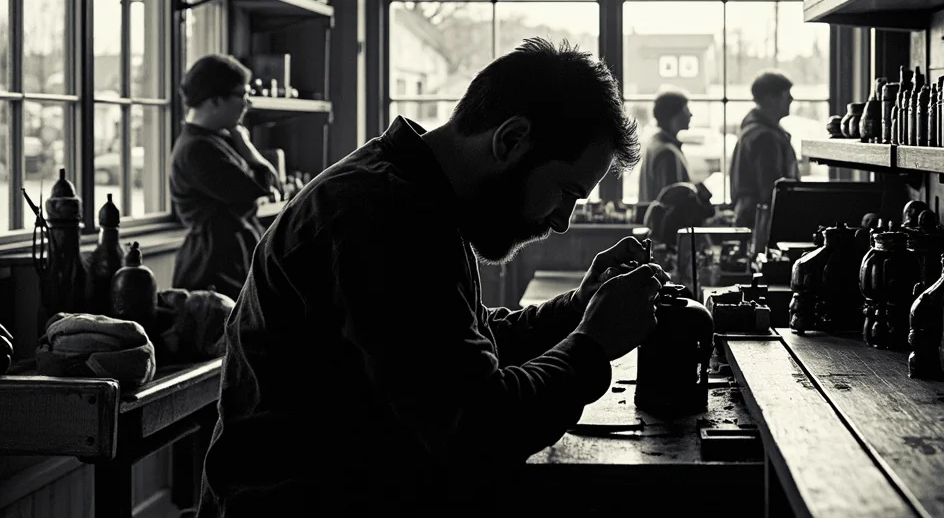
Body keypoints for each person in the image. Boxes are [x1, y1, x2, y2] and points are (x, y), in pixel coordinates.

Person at [197, 38, 667, 516]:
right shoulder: (384, 217)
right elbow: (478, 430)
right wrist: (591, 344)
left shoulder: (416, 192)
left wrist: (579, 309)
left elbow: (456, 346)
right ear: (510, 140)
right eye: (566, 191)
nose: (562, 220)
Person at [170, 55, 281, 297]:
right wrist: (247, 148)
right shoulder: (198, 150)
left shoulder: (213, 140)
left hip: (227, 258)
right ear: (214, 101)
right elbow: (261, 186)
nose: (247, 103)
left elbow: (269, 185)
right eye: (241, 94)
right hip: (214, 266)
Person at [728, 69, 799, 228]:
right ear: (770, 98)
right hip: (763, 223)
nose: (791, 98)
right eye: (785, 94)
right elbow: (772, 191)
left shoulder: (753, 131)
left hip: (752, 219)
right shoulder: (765, 138)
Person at [638, 90, 693, 203]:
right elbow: (672, 202)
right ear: (674, 115)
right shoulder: (667, 153)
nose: (690, 114)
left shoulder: (654, 144)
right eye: (686, 110)